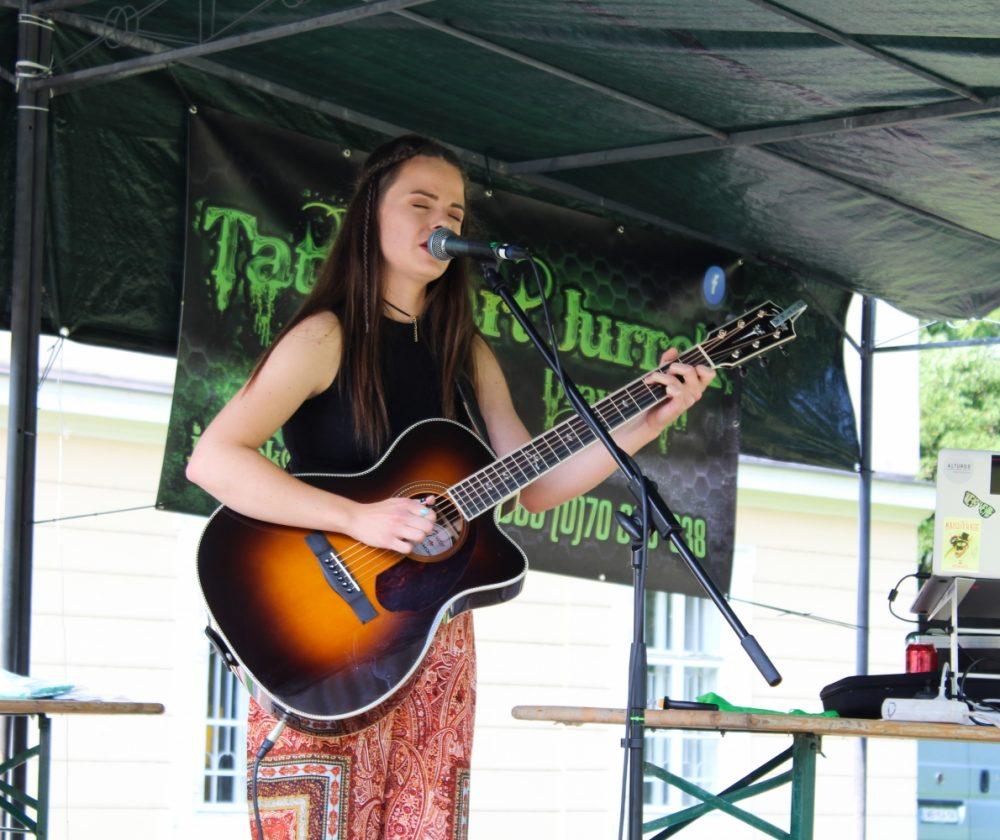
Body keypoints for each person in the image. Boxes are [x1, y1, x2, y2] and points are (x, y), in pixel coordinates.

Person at [185, 134, 715, 840]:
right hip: (324, 634)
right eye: (421, 203)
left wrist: (648, 420)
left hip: (433, 642)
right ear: (370, 213)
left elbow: (535, 484)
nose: (443, 221)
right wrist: (358, 518)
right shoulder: (325, 337)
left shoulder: (466, 352)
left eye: (457, 214)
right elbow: (214, 460)